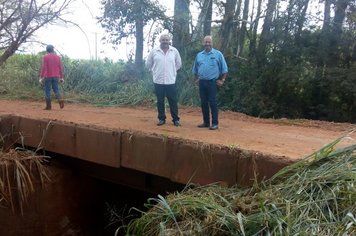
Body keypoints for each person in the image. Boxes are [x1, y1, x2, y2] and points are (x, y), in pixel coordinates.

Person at [192, 35, 228, 130]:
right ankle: (206, 122)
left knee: (212, 102)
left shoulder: (218, 54)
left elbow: (224, 69)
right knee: (203, 103)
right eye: (206, 42)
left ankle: (215, 123)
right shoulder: (199, 55)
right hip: (202, 83)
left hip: (212, 83)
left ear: (212, 43)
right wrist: (196, 80)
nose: (207, 44)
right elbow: (195, 70)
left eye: (209, 42)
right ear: (203, 43)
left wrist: (222, 80)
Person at [146, 34, 182, 127]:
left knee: (173, 101)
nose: (165, 41)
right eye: (163, 40)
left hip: (170, 80)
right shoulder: (154, 51)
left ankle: (175, 120)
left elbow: (178, 64)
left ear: (169, 41)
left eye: (166, 40)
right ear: (160, 41)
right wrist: (153, 72)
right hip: (158, 81)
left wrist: (172, 72)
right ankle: (161, 119)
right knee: (160, 101)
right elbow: (148, 64)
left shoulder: (174, 51)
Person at [39, 44, 64, 110]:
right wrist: (61, 77)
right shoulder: (58, 57)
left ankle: (48, 106)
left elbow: (43, 68)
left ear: (47, 50)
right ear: (53, 50)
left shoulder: (45, 57)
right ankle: (60, 100)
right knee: (56, 89)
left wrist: (41, 77)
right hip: (56, 76)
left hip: (48, 76)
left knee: (47, 90)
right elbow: (60, 68)